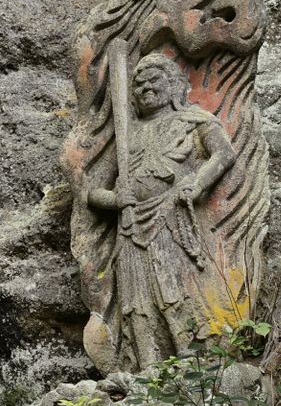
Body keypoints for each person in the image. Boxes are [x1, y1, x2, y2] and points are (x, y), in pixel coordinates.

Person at [86, 53, 235, 369]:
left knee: (175, 289)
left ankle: (194, 363)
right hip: (129, 226)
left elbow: (223, 153)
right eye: (138, 83)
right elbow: (92, 191)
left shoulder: (192, 121)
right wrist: (114, 200)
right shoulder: (129, 136)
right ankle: (147, 371)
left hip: (170, 216)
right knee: (135, 303)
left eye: (154, 79)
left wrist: (196, 183)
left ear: (176, 84)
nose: (145, 87)